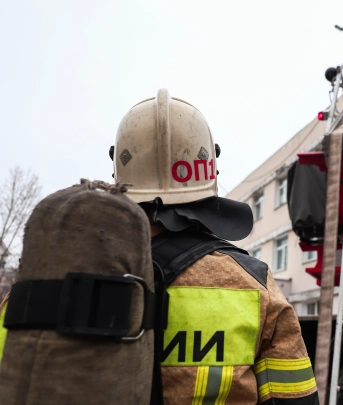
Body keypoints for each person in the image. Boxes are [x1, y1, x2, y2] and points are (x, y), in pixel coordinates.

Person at [112, 89, 319, 405]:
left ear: (119, 172)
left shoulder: (54, 277)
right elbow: (295, 399)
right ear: (209, 169)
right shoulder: (253, 283)